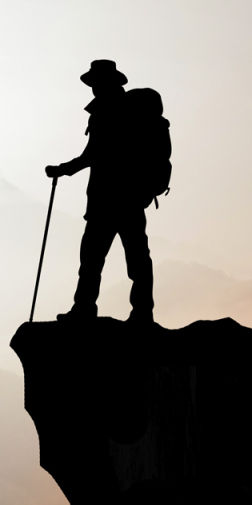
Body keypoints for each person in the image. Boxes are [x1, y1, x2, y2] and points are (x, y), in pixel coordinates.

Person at [45, 59, 159, 324]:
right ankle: (142, 313)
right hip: (130, 199)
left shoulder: (107, 112)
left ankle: (84, 310)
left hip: (106, 200)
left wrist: (62, 169)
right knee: (137, 259)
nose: (93, 88)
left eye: (96, 82)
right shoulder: (130, 110)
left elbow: (92, 155)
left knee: (93, 259)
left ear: (107, 83)